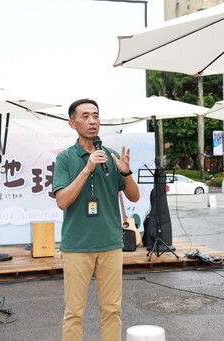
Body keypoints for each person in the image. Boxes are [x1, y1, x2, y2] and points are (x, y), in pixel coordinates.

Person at [53, 98, 140, 341]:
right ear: (73, 123)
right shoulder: (65, 158)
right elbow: (62, 201)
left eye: (95, 116)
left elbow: (133, 196)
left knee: (112, 310)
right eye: (85, 116)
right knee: (74, 313)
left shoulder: (111, 156)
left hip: (111, 244)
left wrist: (126, 172)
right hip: (77, 246)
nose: (92, 121)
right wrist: (87, 168)